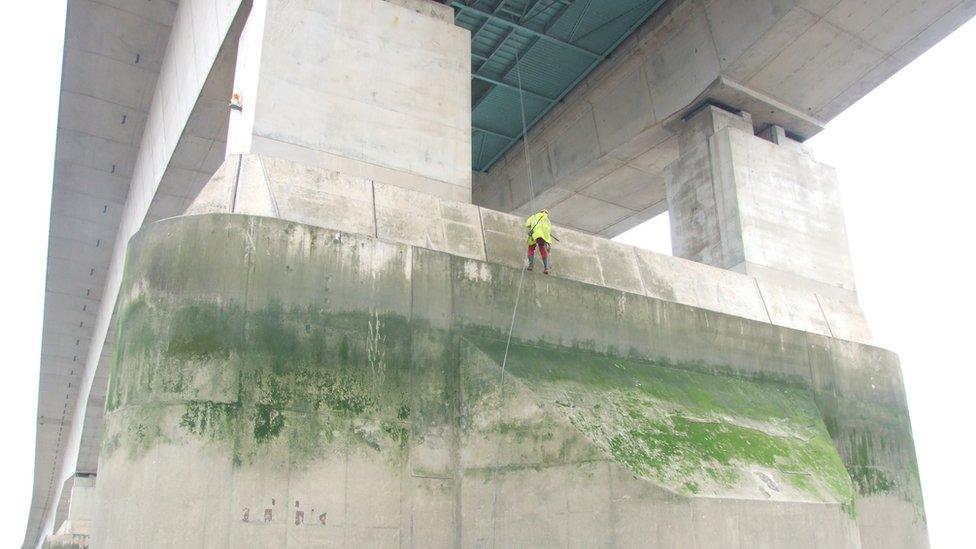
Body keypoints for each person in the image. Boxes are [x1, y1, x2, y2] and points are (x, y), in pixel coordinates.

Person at [524, 208, 554, 274]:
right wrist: (548, 243)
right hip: (543, 237)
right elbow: (548, 231)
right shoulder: (548, 221)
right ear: (547, 214)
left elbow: (527, 224)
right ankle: (546, 268)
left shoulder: (534, 216)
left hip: (534, 234)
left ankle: (531, 265)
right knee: (543, 250)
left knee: (531, 248)